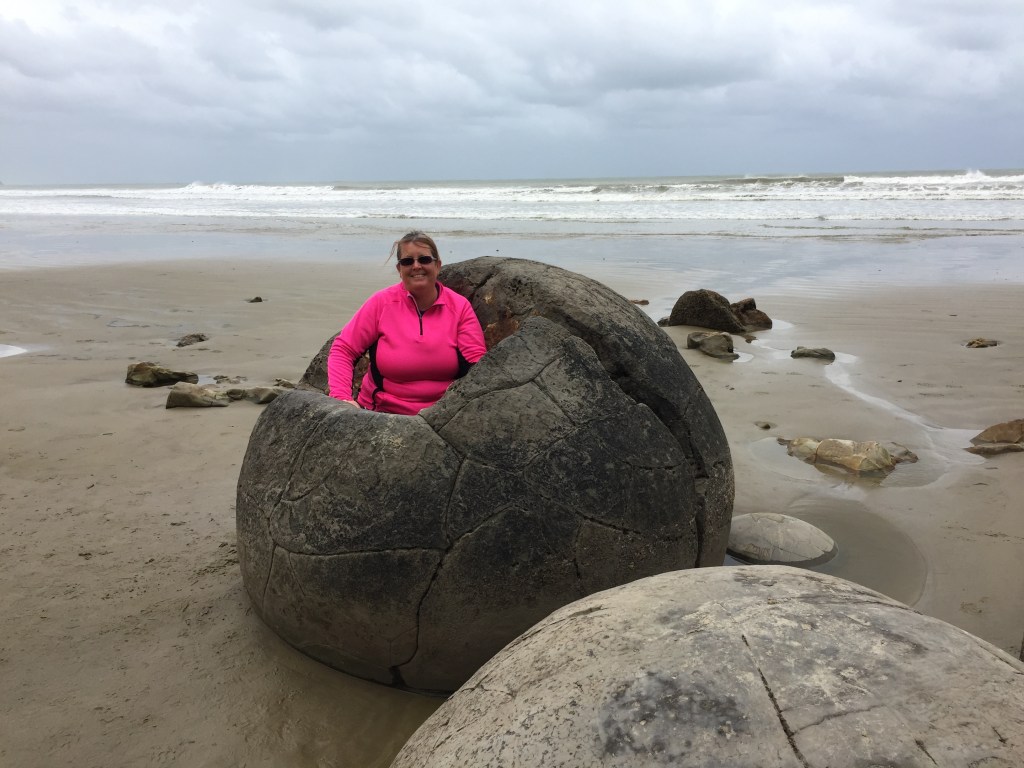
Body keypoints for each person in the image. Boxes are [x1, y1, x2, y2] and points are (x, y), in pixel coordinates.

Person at [326, 231, 487, 415]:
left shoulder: (459, 308)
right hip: (381, 412)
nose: (416, 266)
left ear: (438, 265)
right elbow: (344, 349)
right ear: (399, 270)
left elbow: (477, 365)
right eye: (407, 261)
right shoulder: (381, 303)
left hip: (442, 416)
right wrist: (342, 398)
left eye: (424, 259)